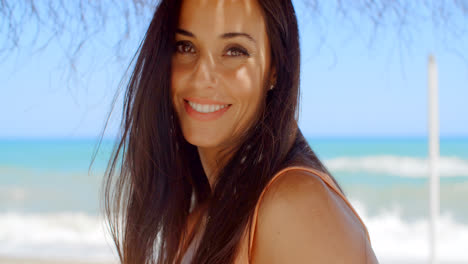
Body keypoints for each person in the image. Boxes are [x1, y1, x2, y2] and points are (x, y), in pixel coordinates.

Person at [101, 0, 379, 263]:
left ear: (275, 69)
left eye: (235, 50)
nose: (202, 75)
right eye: (185, 46)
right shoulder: (202, 218)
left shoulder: (293, 207)